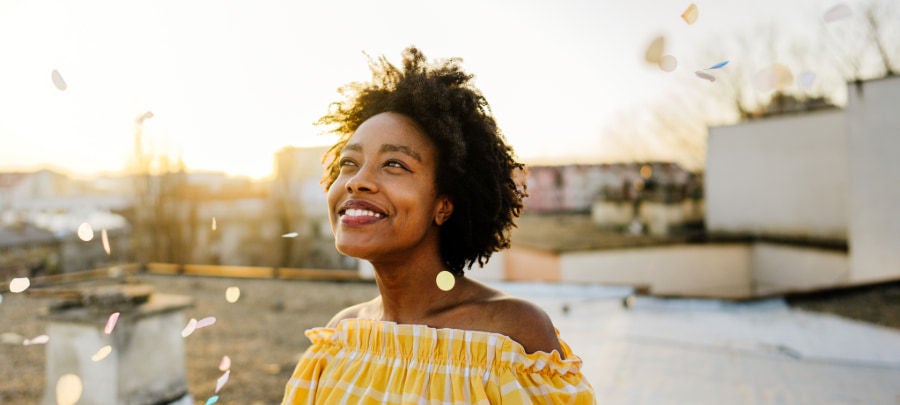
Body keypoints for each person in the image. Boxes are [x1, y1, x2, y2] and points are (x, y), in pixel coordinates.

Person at [282, 46, 596, 404]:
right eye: (349, 164)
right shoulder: (340, 337)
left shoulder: (510, 334)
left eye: (394, 164)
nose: (356, 181)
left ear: (443, 205)